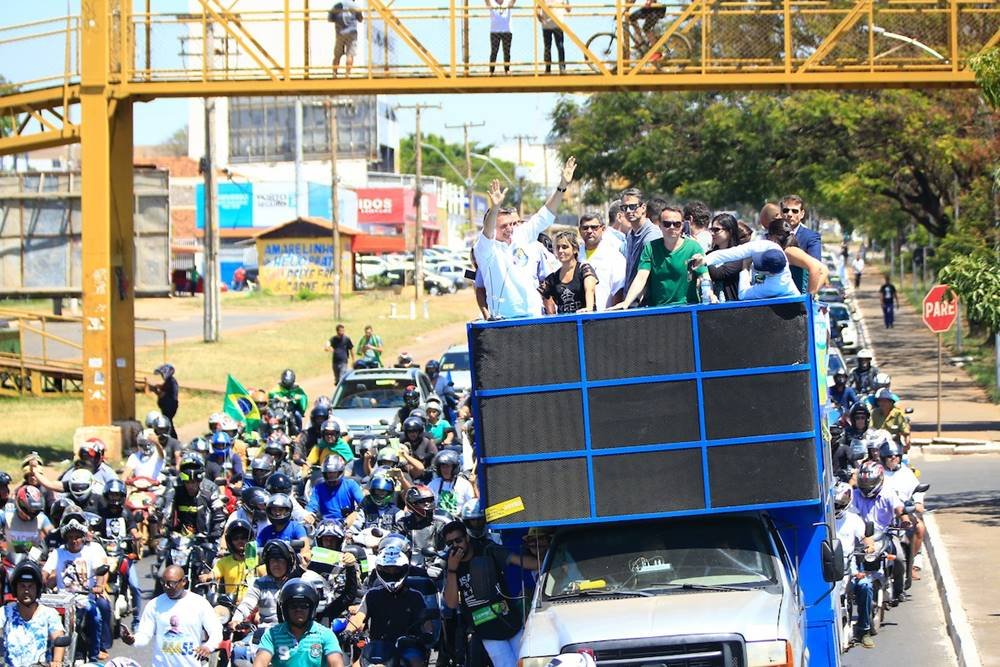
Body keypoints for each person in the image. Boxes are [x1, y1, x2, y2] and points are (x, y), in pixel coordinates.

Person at [475, 159, 576, 319]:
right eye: (503, 226)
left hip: (533, 315)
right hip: (503, 320)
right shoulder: (485, 248)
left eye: (511, 224)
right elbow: (487, 232)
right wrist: (494, 208)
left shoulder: (521, 235)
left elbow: (545, 214)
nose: (509, 229)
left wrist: (562, 186)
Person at [442, 520, 538, 667]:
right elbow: (451, 603)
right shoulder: (450, 564)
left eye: (458, 540)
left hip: (509, 620)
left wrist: (548, 559)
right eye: (450, 544)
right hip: (486, 629)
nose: (455, 546)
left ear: (467, 538)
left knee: (527, 662)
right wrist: (452, 570)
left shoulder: (487, 550)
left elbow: (519, 561)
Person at [346, 548, 434, 667]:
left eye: (396, 570)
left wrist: (427, 634)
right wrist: (346, 632)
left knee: (415, 662)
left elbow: (426, 623)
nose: (391, 573)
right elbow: (359, 617)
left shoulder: (415, 596)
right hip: (377, 647)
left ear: (404, 570)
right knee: (356, 665)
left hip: (407, 647)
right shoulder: (372, 595)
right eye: (387, 570)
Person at [121, 564, 222, 667]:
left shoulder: (199, 603)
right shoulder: (155, 604)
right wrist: (133, 640)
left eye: (171, 583)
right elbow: (144, 635)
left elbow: (217, 632)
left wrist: (208, 647)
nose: (166, 587)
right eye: (163, 582)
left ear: (184, 581)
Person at [43, 512, 110, 661]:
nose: (74, 541)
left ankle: (93, 656)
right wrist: (40, 581)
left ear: (83, 537)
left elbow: (100, 570)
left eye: (77, 537)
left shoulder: (90, 551)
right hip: (62, 600)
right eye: (71, 537)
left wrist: (99, 586)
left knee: (96, 616)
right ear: (66, 538)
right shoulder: (58, 552)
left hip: (85, 598)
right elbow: (45, 571)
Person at [612, 204, 707, 309]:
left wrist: (710, 294)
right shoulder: (651, 248)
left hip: (688, 309)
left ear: (683, 225)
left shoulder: (693, 247)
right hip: (658, 311)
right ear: (660, 225)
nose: (672, 227)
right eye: (667, 224)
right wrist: (626, 302)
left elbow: (704, 275)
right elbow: (641, 277)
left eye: (677, 224)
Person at [254, 578, 345, 667]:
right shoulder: (272, 634)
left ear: (312, 608)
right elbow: (260, 661)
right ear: (285, 609)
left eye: (304, 606)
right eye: (293, 606)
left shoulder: (325, 634)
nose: (298, 610)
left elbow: (336, 662)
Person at [832, 482, 876, 649]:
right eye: (834, 504)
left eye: (839, 504)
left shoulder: (853, 520)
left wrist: (869, 547)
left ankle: (863, 630)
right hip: (829, 568)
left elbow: (866, 538)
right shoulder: (824, 519)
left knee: (865, 586)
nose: (837, 507)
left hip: (850, 568)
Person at [0, 560, 67, 667]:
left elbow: (58, 637)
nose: (26, 590)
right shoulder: (5, 612)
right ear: (15, 589)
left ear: (38, 589)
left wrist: (57, 661)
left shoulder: (49, 614)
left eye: (30, 586)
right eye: (22, 586)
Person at [578, 212, 625, 308]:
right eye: (585, 228)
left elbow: (619, 290)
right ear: (580, 230)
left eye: (594, 227)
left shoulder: (614, 255)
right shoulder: (575, 255)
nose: (589, 231)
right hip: (579, 316)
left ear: (603, 229)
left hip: (604, 316)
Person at [620, 189, 663, 296]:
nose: (629, 211)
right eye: (624, 208)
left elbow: (650, 273)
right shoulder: (630, 234)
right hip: (631, 301)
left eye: (633, 206)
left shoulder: (652, 235)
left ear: (643, 207)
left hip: (645, 303)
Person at [779, 195, 822, 292]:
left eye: (795, 211)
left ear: (802, 214)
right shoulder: (772, 235)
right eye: (786, 210)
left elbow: (817, 267)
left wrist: (809, 297)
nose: (789, 214)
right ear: (781, 213)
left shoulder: (811, 237)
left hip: (799, 294)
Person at [703, 213, 749, 303]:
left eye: (716, 230)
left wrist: (703, 262)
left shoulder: (738, 254)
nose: (712, 233)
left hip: (734, 305)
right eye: (711, 229)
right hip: (712, 306)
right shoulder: (708, 254)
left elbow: (718, 274)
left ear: (730, 231)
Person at [307, 456, 364, 523]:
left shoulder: (351, 484)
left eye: (334, 472)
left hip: (347, 525)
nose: (331, 475)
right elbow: (312, 506)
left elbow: (363, 503)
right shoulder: (318, 488)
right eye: (329, 473)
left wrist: (355, 513)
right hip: (324, 525)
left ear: (340, 472)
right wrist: (309, 515)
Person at [427, 450, 475, 516]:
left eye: (448, 466)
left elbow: (473, 504)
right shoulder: (433, 484)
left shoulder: (464, 484)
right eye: (443, 467)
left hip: (458, 521)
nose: (445, 470)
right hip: (438, 521)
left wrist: (473, 484)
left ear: (454, 468)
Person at [329, 0, 363, 77]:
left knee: (337, 55)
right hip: (352, 33)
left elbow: (330, 19)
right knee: (350, 55)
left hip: (340, 33)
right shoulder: (355, 6)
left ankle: (334, 74)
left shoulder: (336, 6)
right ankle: (347, 74)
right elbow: (360, 19)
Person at [537, 0, 569, 74]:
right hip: (547, 26)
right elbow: (538, 9)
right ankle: (548, 68)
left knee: (560, 46)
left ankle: (562, 67)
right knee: (548, 47)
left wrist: (566, 5)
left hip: (558, 25)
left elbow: (568, 9)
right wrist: (540, 18)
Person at [487, 0, 515, 75]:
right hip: (495, 31)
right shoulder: (492, 2)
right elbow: (487, 2)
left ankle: (507, 69)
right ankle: (491, 70)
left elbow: (512, 2)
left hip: (506, 30)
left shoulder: (507, 1)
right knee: (494, 51)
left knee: (507, 52)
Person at [152, 364, 180, 437]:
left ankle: (173, 438)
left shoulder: (170, 382)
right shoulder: (171, 381)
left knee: (167, 422)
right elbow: (163, 388)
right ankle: (171, 437)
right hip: (170, 405)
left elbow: (162, 394)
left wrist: (155, 390)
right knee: (168, 422)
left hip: (169, 406)